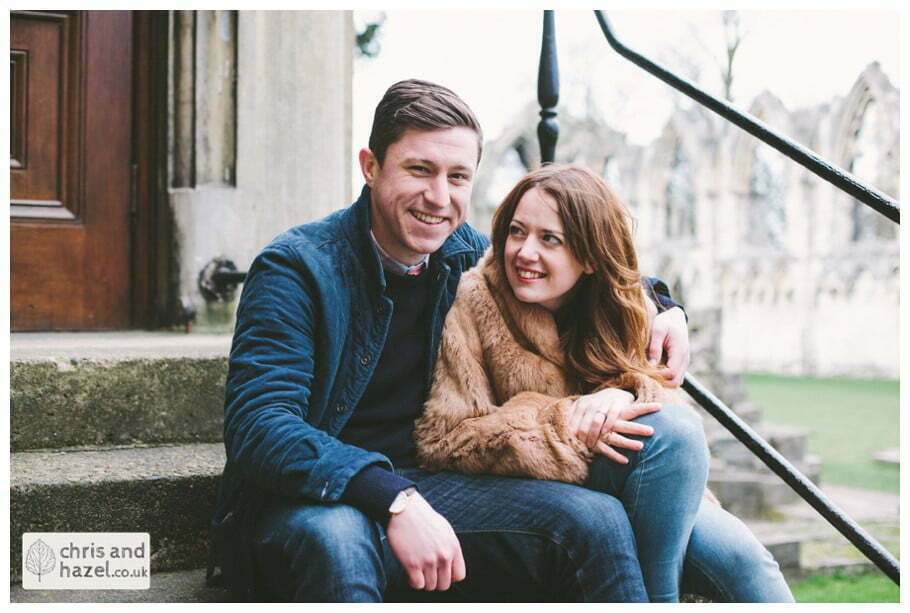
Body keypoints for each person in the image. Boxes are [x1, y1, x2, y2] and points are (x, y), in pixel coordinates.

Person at [206, 79, 690, 602]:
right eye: (420, 170)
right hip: (315, 495)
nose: (439, 197)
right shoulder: (298, 267)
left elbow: (577, 269)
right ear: (371, 166)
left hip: (434, 482)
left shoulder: (463, 254)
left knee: (594, 519)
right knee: (339, 545)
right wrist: (395, 500)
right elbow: (261, 427)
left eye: (458, 177)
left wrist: (662, 306)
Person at [414, 164, 794, 603]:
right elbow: (446, 439)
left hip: (635, 473)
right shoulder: (475, 299)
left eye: (549, 239)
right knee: (676, 434)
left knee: (746, 562)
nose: (524, 252)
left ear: (591, 256)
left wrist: (622, 395)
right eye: (517, 232)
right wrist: (567, 422)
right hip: (532, 488)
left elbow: (660, 391)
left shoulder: (625, 303)